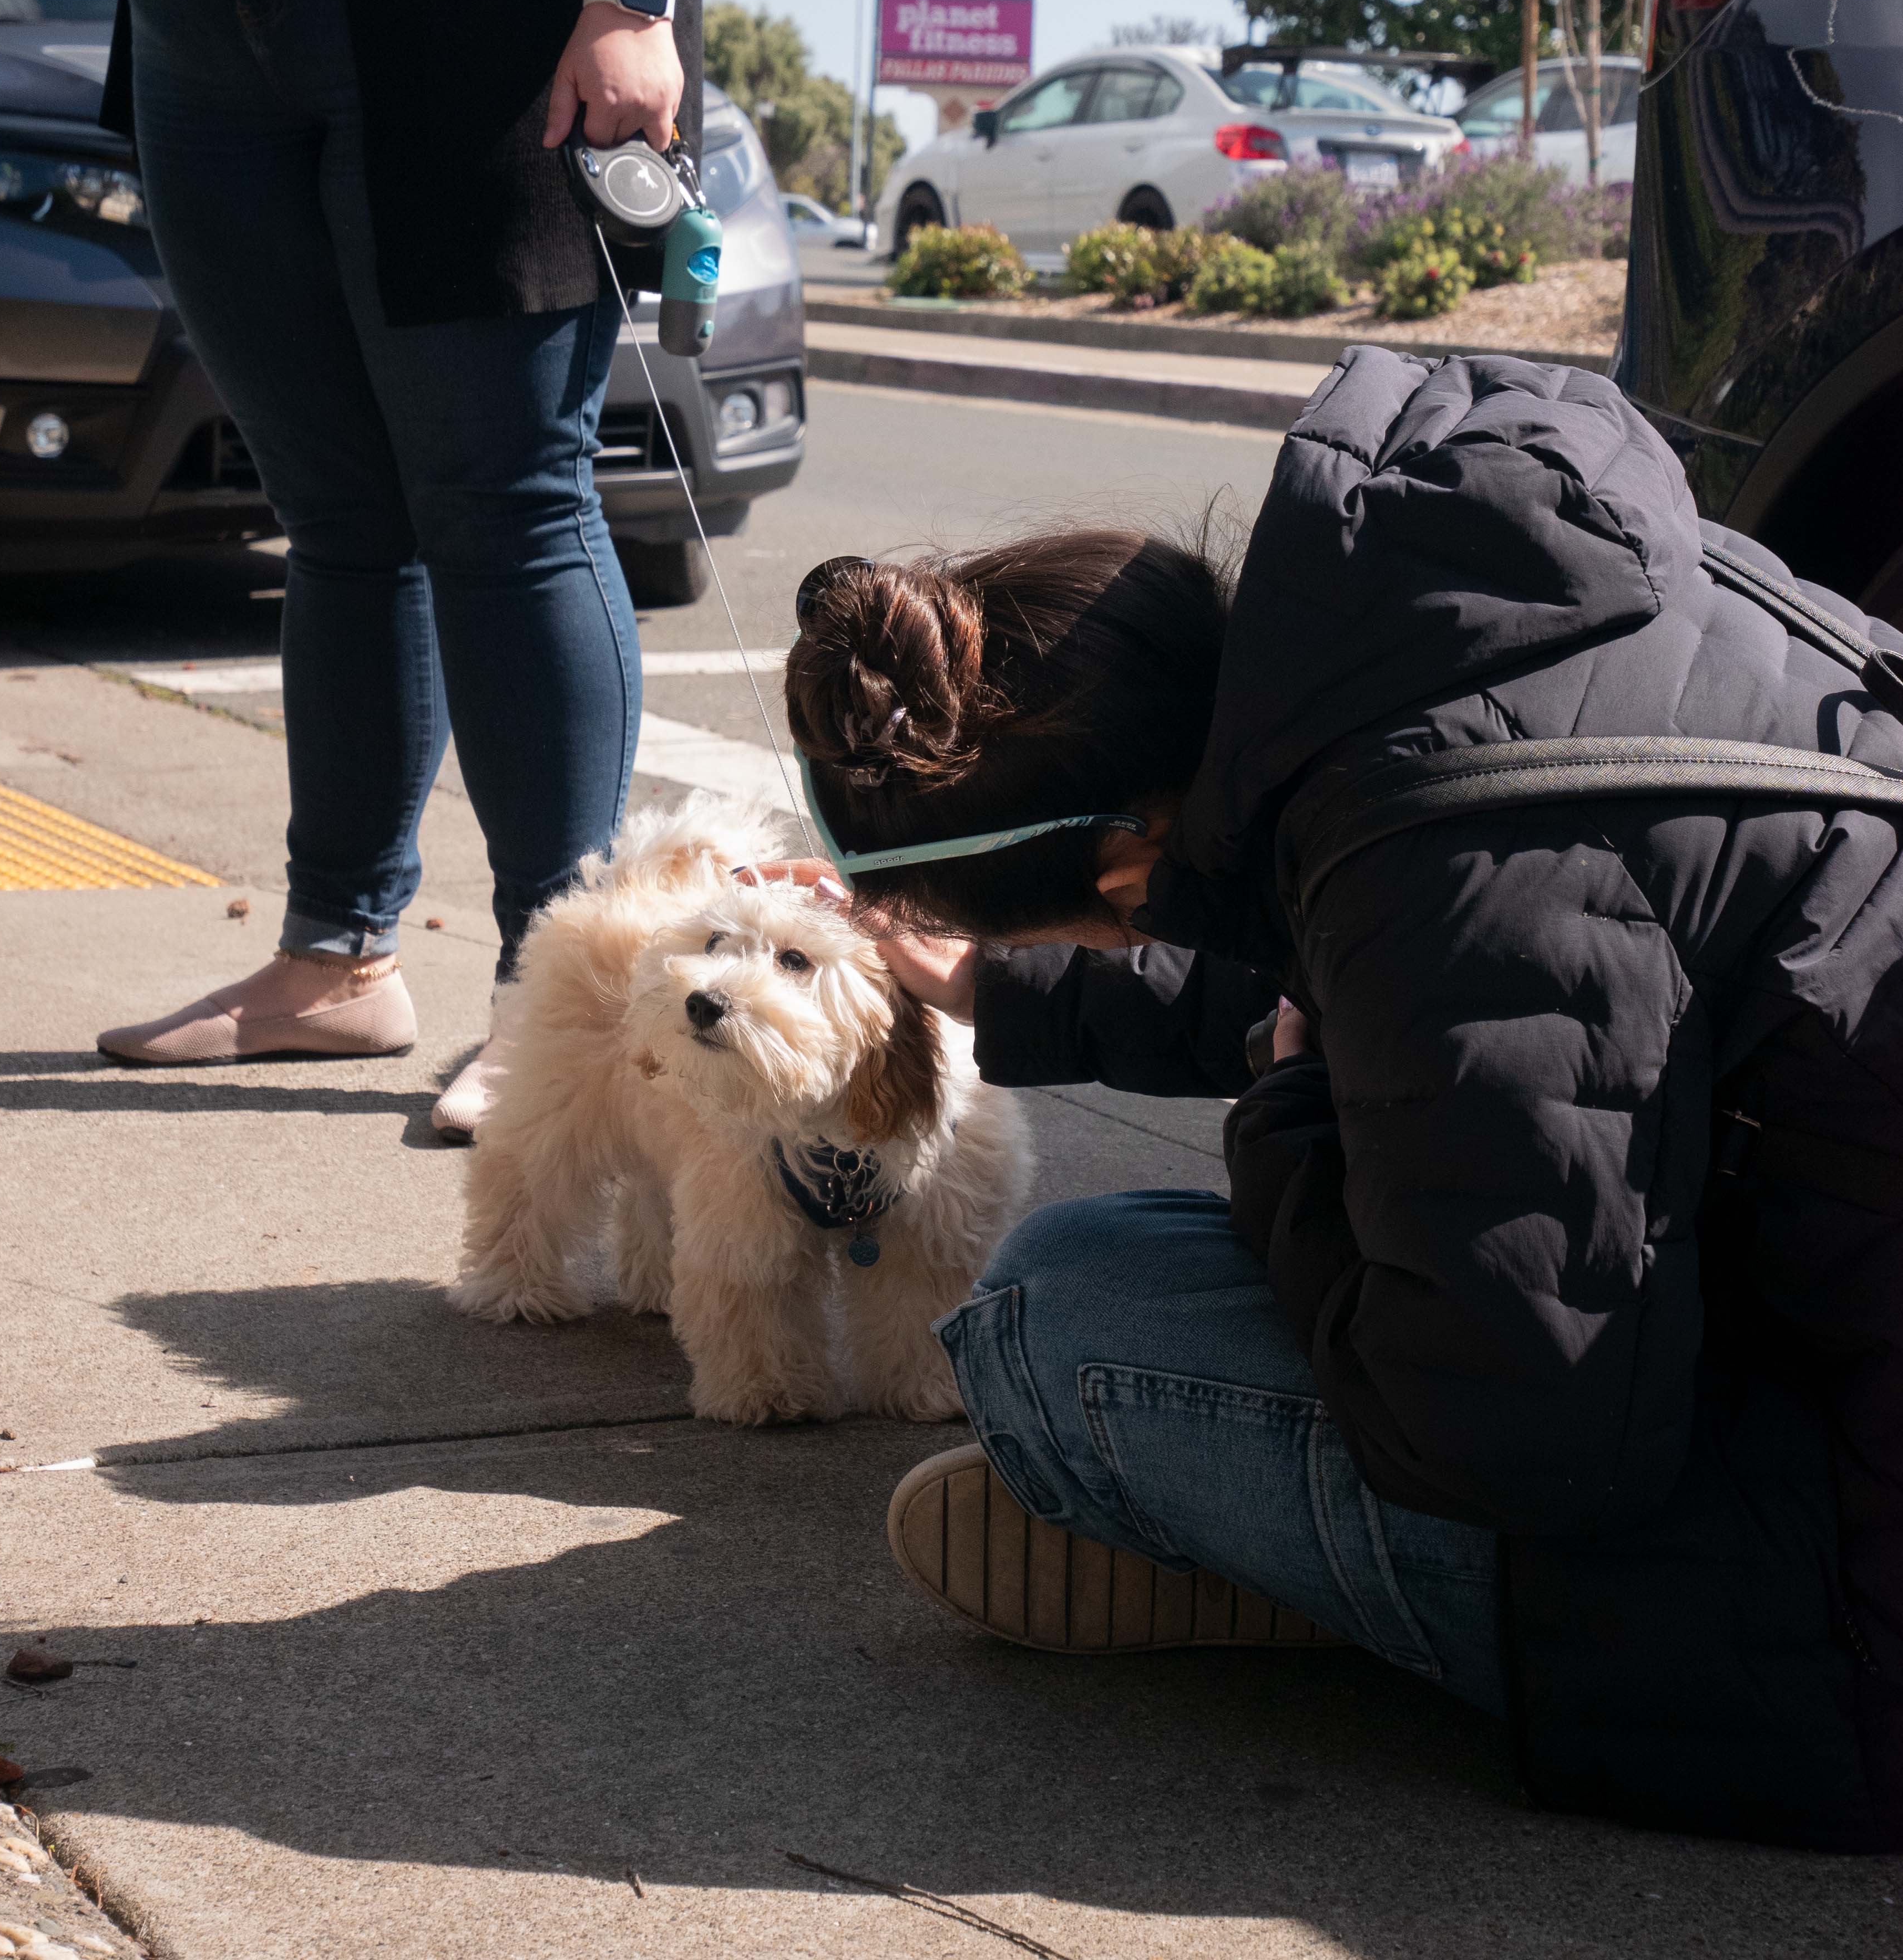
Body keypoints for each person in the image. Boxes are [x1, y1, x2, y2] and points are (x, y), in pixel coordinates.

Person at [781, 349, 1902, 1855]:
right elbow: (1383, 964)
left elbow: (1515, 1434)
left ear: (1123, 868)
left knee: (1056, 1312)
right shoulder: (1480, 619)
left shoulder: (1432, 867)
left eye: (1080, 933)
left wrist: (1294, 1107)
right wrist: (1009, 987)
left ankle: (1286, 1573)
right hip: (1826, 1320)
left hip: (1846, 1606)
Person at [0, 0, 723, 1124]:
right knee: (332, 508)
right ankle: (334, 964)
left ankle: (564, 1012)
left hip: (481, 0)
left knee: (505, 495)